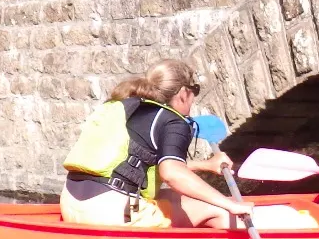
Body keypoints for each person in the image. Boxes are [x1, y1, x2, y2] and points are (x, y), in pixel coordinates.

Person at [60, 59, 254, 229]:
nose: (194, 97)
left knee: (181, 199)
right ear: (183, 93)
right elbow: (171, 174)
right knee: (216, 209)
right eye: (194, 90)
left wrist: (205, 165)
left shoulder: (127, 106)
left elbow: (144, 165)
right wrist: (230, 205)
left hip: (71, 205)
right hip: (111, 215)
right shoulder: (174, 121)